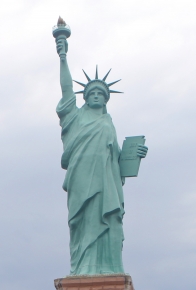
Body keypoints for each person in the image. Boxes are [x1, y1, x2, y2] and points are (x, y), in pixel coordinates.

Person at [54, 32, 148, 275]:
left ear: (106, 99)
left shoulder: (108, 123)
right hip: (80, 178)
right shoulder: (74, 117)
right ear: (84, 97)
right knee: (82, 222)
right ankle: (82, 269)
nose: (96, 95)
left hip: (106, 182)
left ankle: (111, 269)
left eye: (101, 93)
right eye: (92, 92)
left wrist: (135, 153)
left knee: (110, 220)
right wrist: (63, 55)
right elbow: (66, 89)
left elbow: (118, 161)